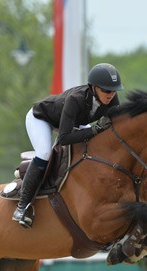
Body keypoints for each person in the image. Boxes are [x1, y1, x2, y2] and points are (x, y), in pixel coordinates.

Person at [12, 63, 124, 228]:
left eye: (114, 90)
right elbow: (64, 138)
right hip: (42, 118)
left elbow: (116, 126)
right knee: (44, 154)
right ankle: (22, 207)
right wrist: (95, 130)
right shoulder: (76, 99)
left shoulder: (112, 99)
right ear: (94, 88)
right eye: (106, 90)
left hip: (73, 123)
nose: (111, 94)